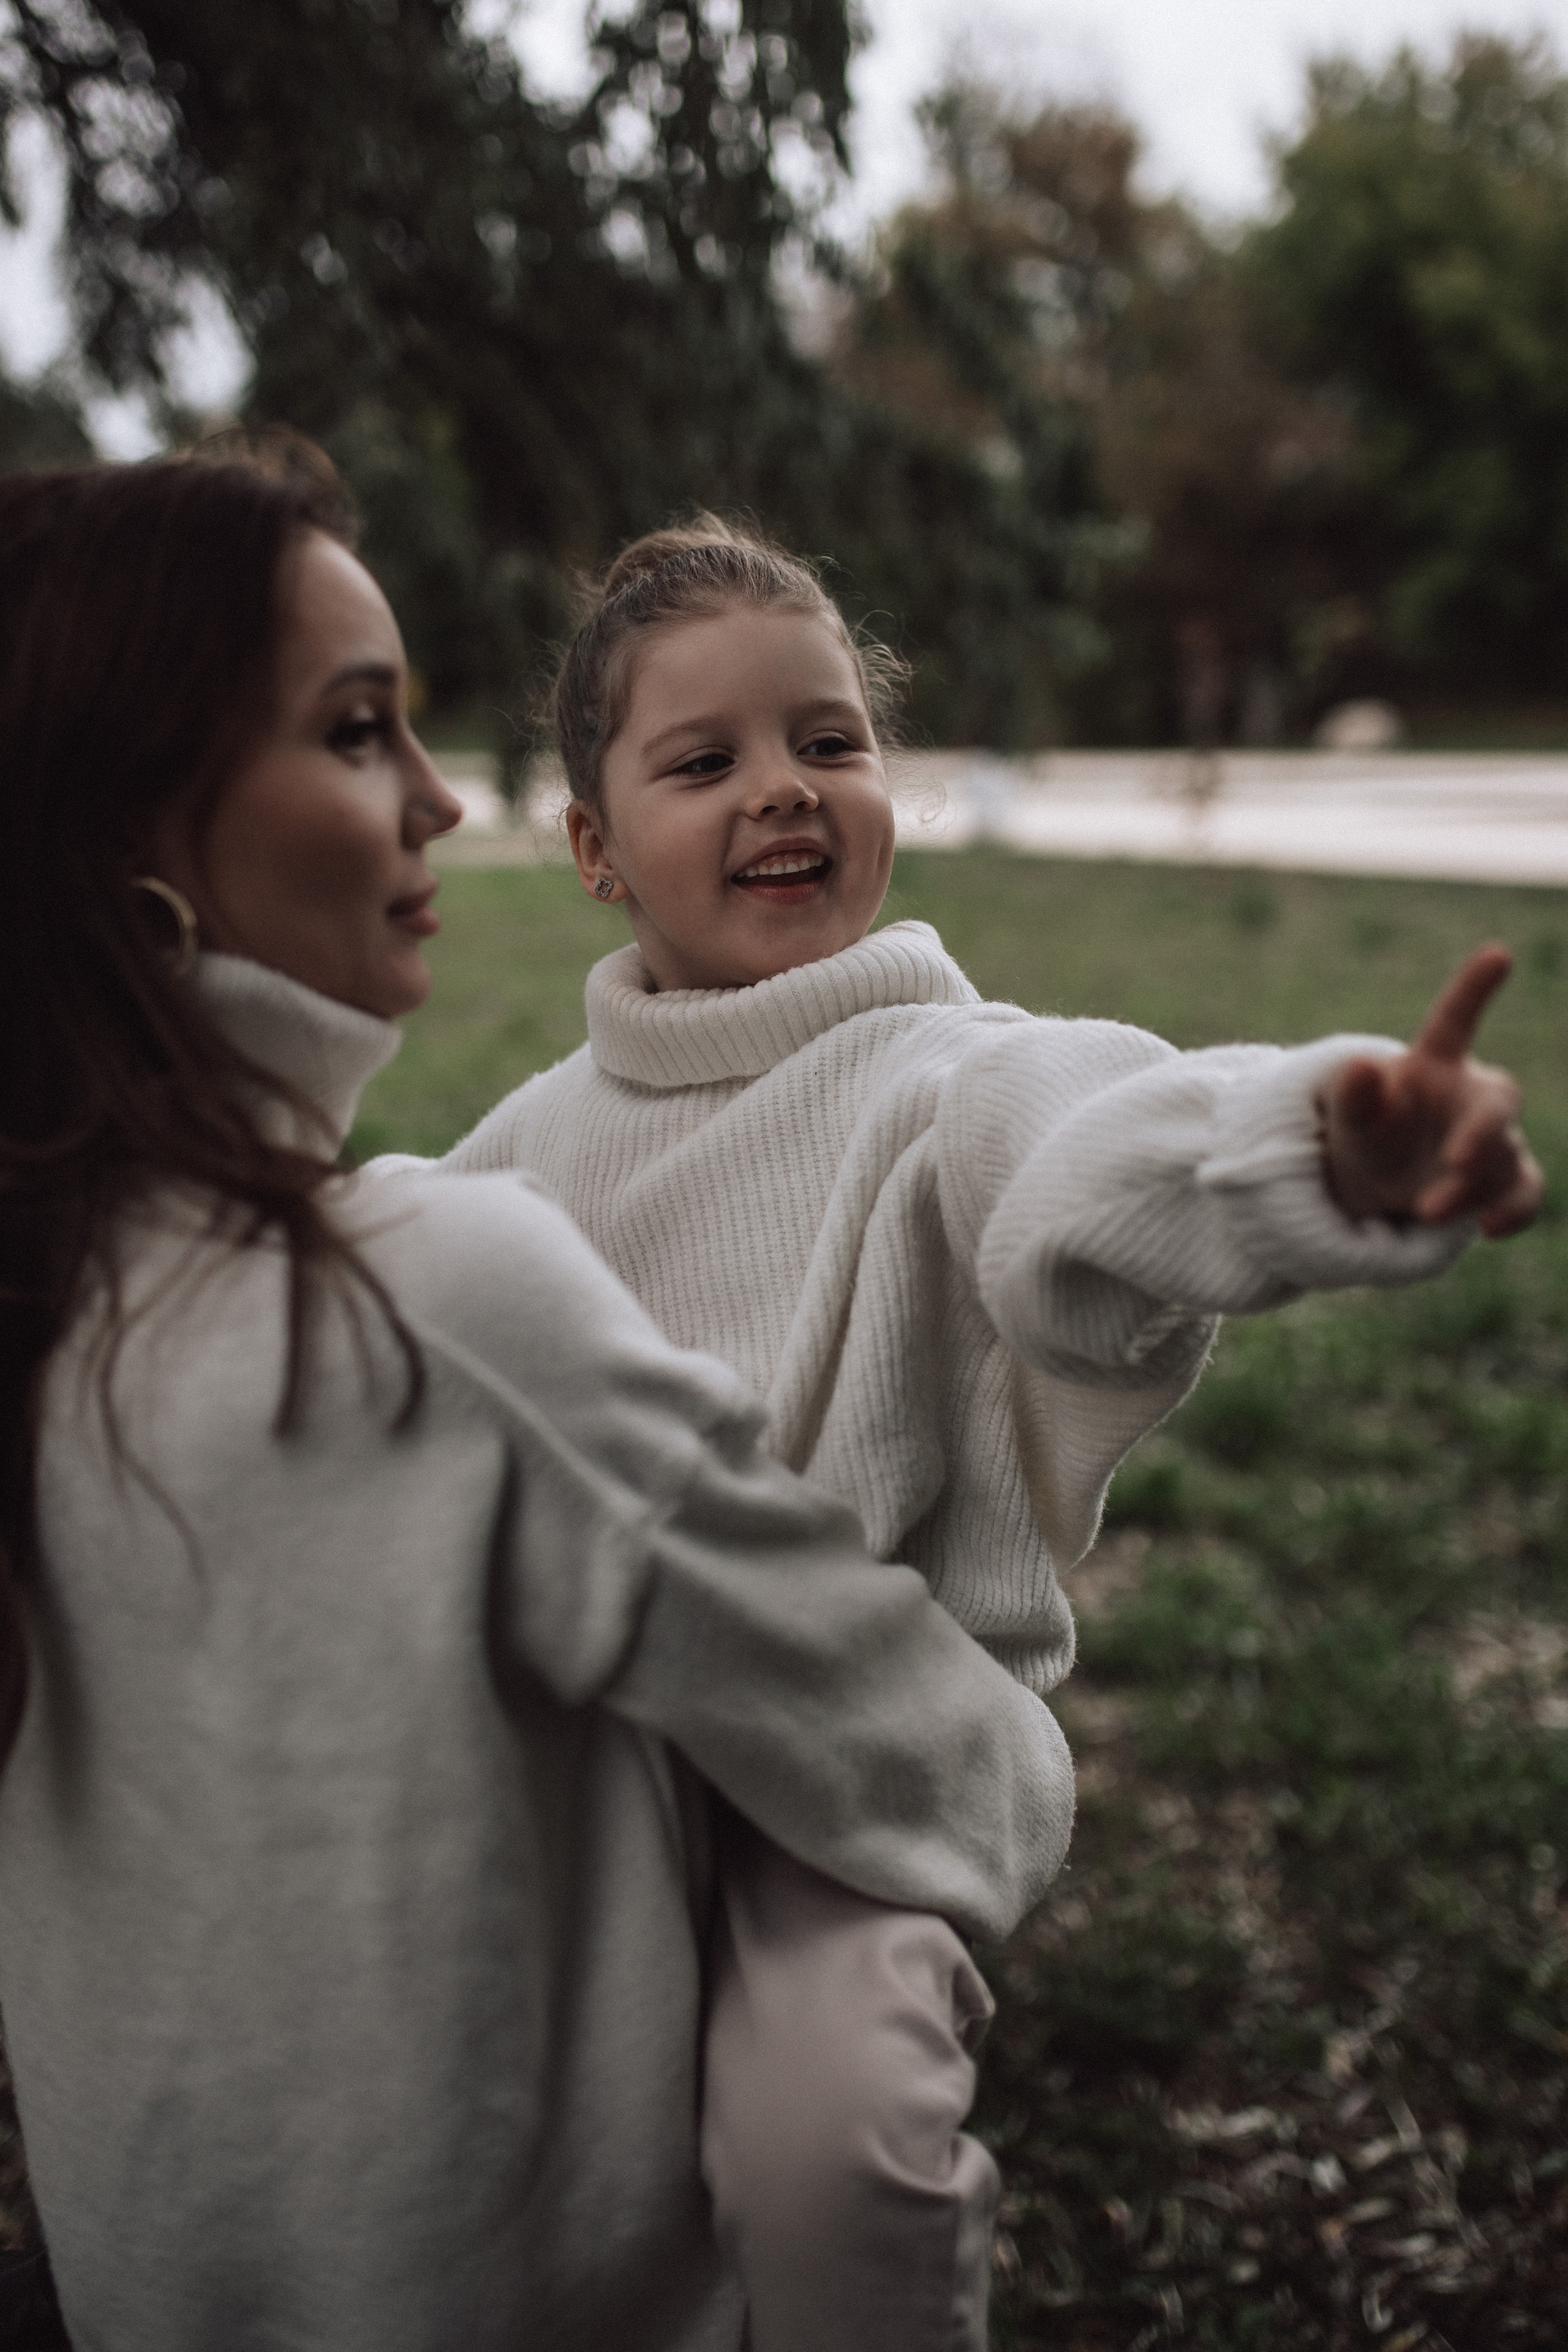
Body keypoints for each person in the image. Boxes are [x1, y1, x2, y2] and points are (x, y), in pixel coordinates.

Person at [425, 516, 1544, 2352]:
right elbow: (379, 1277)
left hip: (842, 1782)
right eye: (705, 762)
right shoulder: (534, 1143)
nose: (784, 790)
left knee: (834, 2157)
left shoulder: (945, 1075)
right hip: (589, 1770)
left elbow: (1099, 1137)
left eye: (830, 741)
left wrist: (1313, 1146)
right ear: (593, 848)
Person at [0, 452, 1079, 2352]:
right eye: (355, 733)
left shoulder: (42, 1296)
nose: (433, 798)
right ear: (122, 820)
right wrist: (1005, 1794)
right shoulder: (446, 1295)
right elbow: (912, 1741)